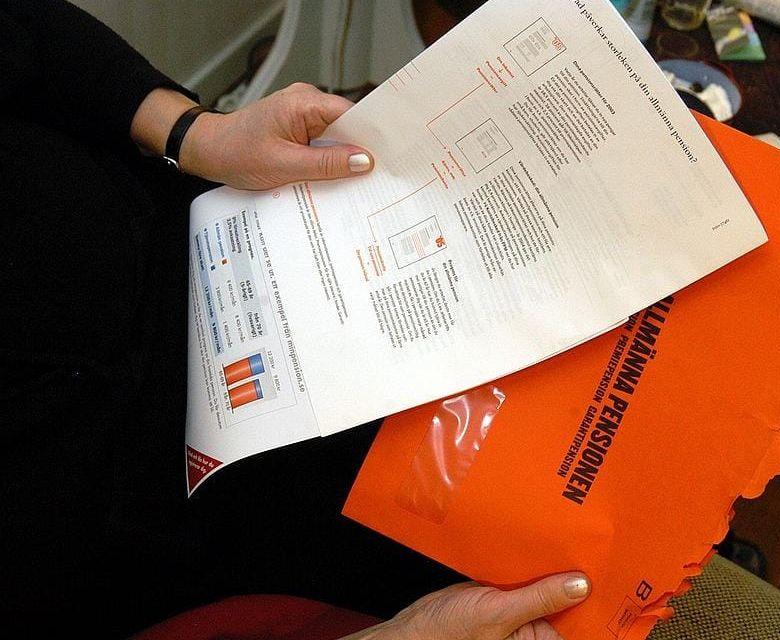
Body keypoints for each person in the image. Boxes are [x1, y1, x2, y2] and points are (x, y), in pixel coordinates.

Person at [0, 0, 588, 636]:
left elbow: (22, 28)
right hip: (177, 524)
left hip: (222, 248)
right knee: (544, 555)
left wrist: (195, 134)